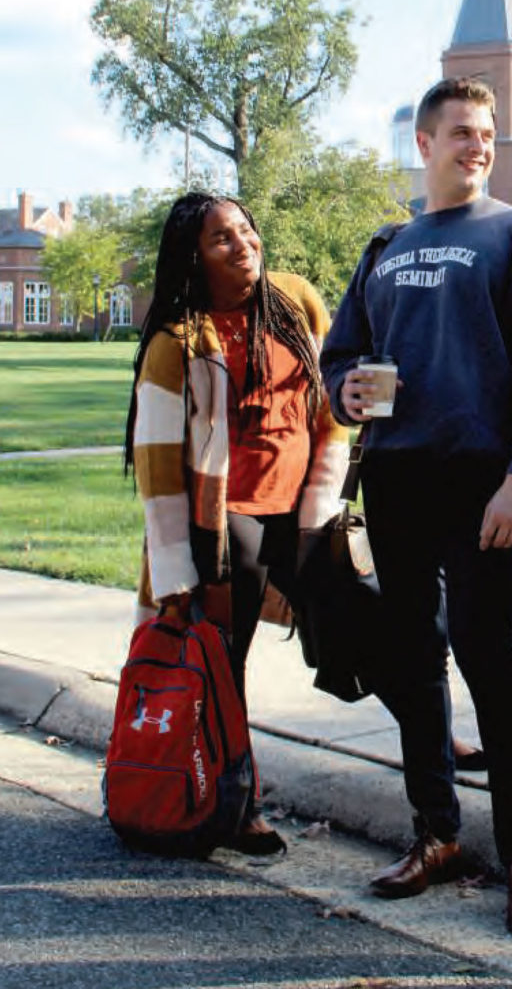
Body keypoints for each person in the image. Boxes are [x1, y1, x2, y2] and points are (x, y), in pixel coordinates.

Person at [320, 76, 512, 936]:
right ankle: (435, 835)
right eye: (462, 132)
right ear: (424, 144)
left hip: (481, 482)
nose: (478, 144)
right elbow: (342, 355)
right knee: (410, 659)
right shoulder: (386, 245)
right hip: (396, 478)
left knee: (486, 659)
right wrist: (344, 390)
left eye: (487, 132)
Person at [126, 191, 349, 855]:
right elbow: (158, 464)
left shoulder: (296, 301)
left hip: (307, 510)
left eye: (246, 231)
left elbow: (332, 399)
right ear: (192, 257)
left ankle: (437, 765)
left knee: (372, 627)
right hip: (227, 522)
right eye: (221, 239)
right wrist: (172, 573)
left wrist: (327, 490)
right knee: (222, 669)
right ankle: (233, 803)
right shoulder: (178, 339)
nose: (243, 245)